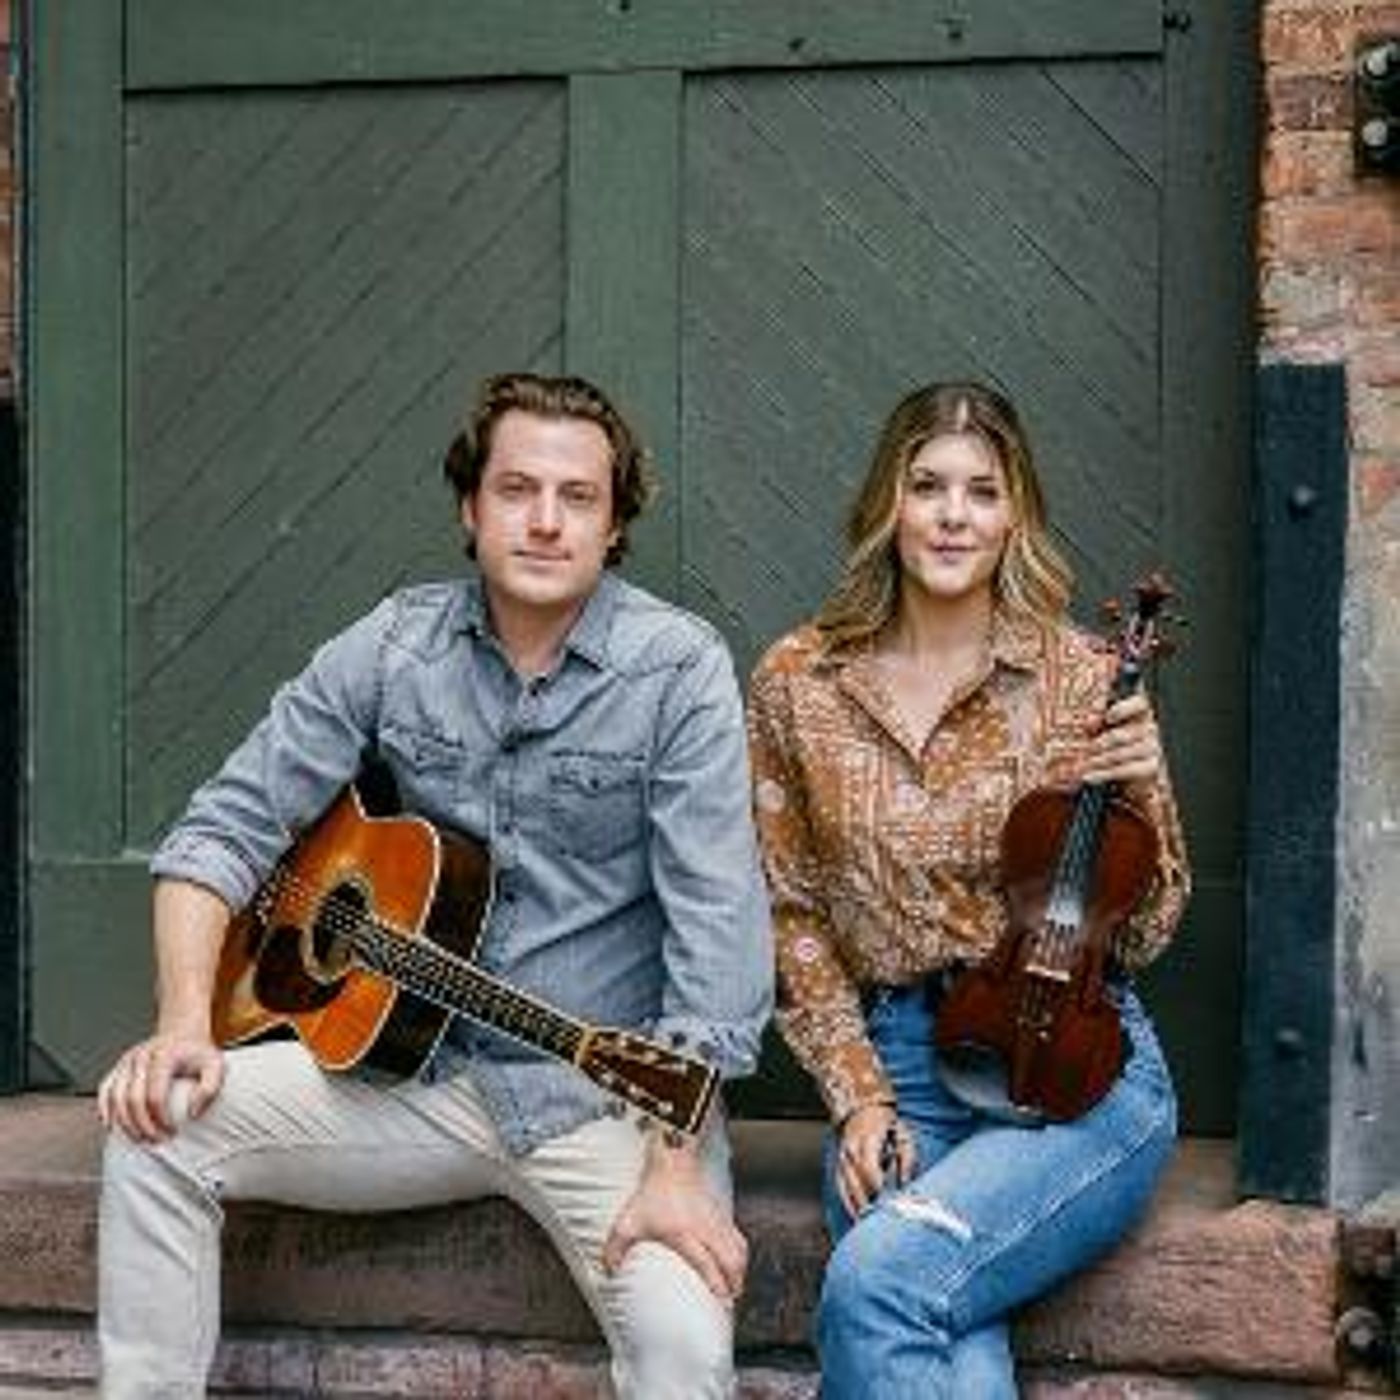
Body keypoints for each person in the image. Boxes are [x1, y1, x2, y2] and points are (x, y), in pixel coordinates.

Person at [96, 371, 773, 1400]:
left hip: (611, 1102)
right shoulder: (394, 643)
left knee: (683, 1343)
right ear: (470, 505)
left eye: (577, 497)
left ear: (614, 522)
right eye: (515, 489)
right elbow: (221, 828)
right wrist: (185, 1019)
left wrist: (676, 1169)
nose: (544, 521)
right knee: (155, 1127)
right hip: (405, 1078)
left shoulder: (674, 669)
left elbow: (716, 937)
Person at [746, 380, 1189, 1398]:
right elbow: (790, 911)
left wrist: (1141, 776)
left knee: (876, 1282)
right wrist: (856, 1098)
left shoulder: (1081, 675)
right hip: (902, 1066)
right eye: (926, 485)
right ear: (885, 505)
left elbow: (1153, 922)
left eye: (980, 491)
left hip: (1084, 1070)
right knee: (946, 1344)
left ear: (1012, 514)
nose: (951, 514)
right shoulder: (797, 680)